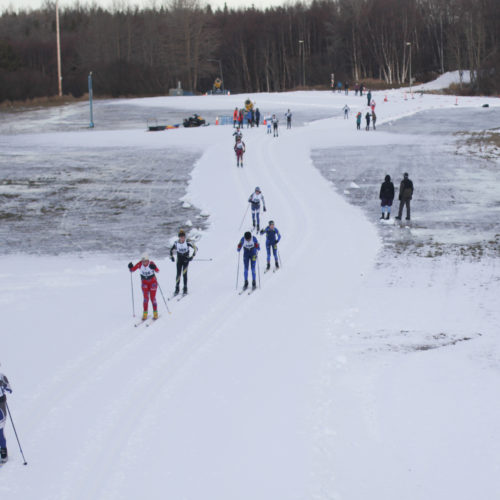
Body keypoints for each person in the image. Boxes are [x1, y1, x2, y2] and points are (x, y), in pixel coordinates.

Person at [128, 255, 160, 320]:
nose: (144, 263)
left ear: (148, 260)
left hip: (153, 283)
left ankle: (155, 313)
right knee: (145, 299)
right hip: (144, 283)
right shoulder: (139, 264)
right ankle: (145, 313)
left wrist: (154, 267)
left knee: (152, 298)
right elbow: (132, 270)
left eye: (146, 261)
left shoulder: (151, 263)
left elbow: (158, 271)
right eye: (143, 261)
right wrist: (130, 267)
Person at [170, 229, 197, 295]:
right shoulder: (176, 243)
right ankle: (177, 288)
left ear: (185, 237)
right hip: (179, 260)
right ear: (179, 237)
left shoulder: (187, 242)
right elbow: (171, 250)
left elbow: (196, 249)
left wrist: (191, 257)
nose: (182, 239)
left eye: (183, 237)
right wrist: (172, 257)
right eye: (181, 237)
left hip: (185, 260)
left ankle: (185, 288)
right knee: (178, 274)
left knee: (184, 274)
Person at [0, 370, 12, 463]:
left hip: (1, 407)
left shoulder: (2, 376)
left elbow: (9, 389)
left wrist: (3, 386)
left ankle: (4, 452)